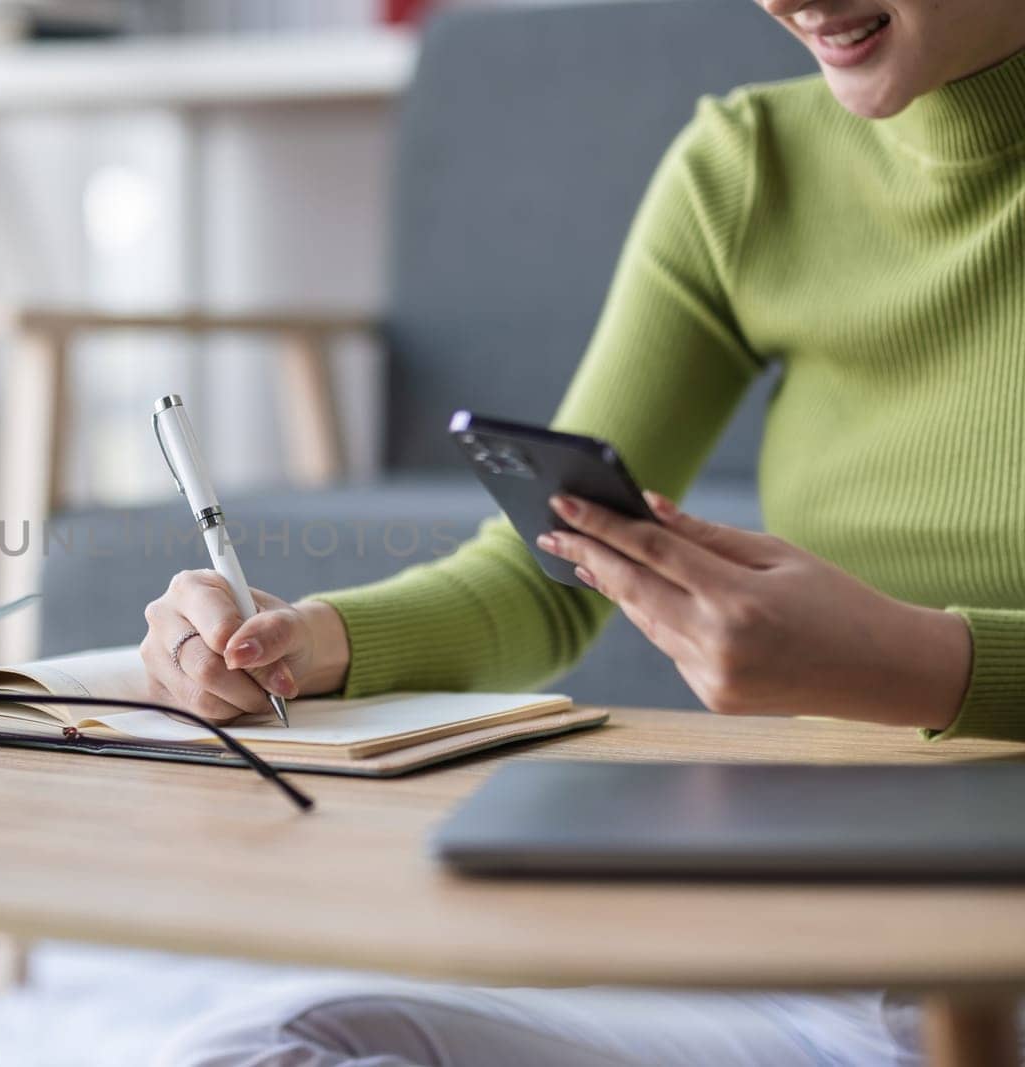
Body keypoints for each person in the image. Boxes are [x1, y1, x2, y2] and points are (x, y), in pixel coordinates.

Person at [142, 0, 1025, 1062]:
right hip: (814, 940)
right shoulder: (752, 167)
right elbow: (547, 565)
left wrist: (918, 662)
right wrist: (306, 638)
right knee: (262, 1044)